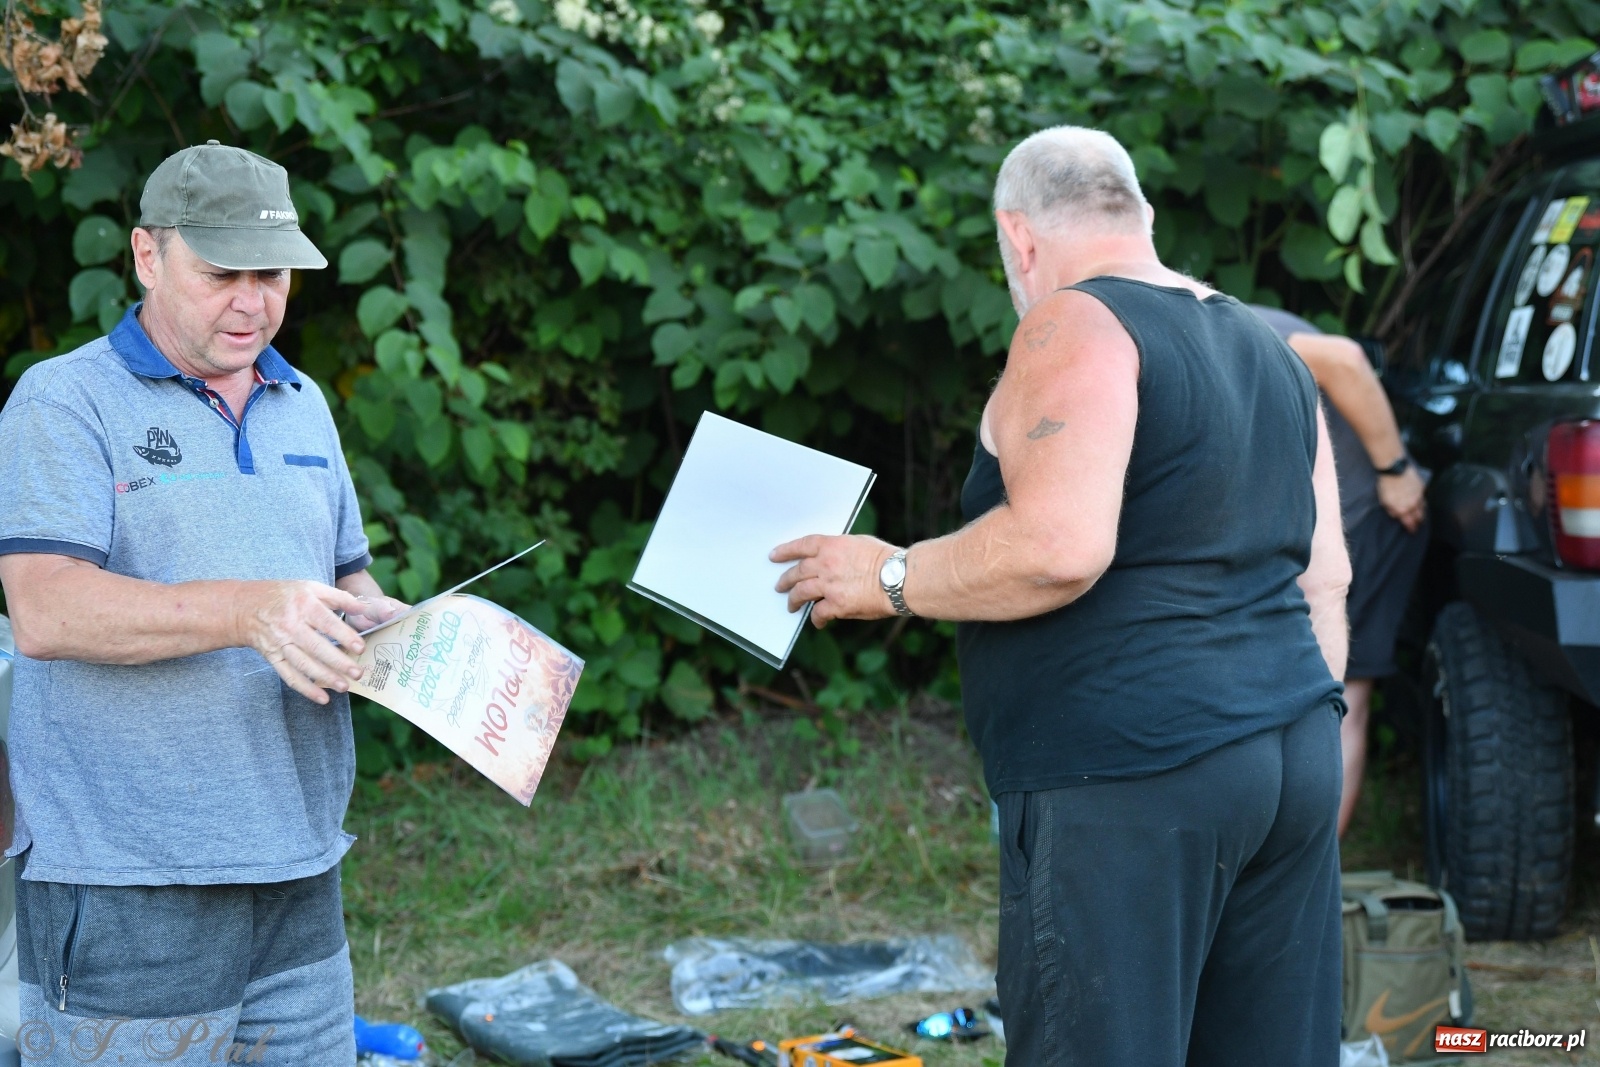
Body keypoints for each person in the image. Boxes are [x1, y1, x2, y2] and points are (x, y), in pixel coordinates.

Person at [771, 126, 1350, 1066]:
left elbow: (1059, 547)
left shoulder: (1073, 322)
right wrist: (1276, 726)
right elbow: (1327, 576)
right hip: (1293, 749)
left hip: (1131, 773)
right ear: (1143, 215)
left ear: (1019, 236)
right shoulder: (1272, 347)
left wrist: (888, 576)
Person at [0, 142, 404, 1065]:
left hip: (299, 869)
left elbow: (346, 576)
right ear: (148, 255)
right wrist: (247, 612)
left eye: (274, 276)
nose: (253, 303)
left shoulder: (301, 402)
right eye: (222, 272)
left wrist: (390, 631)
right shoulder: (63, 402)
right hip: (126, 882)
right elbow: (47, 612)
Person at [1249, 306, 1429, 839]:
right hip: (1295, 528)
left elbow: (1346, 359)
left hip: (1370, 514)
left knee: (1341, 697)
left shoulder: (1227, 327)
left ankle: (1312, 875)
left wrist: (1393, 470)